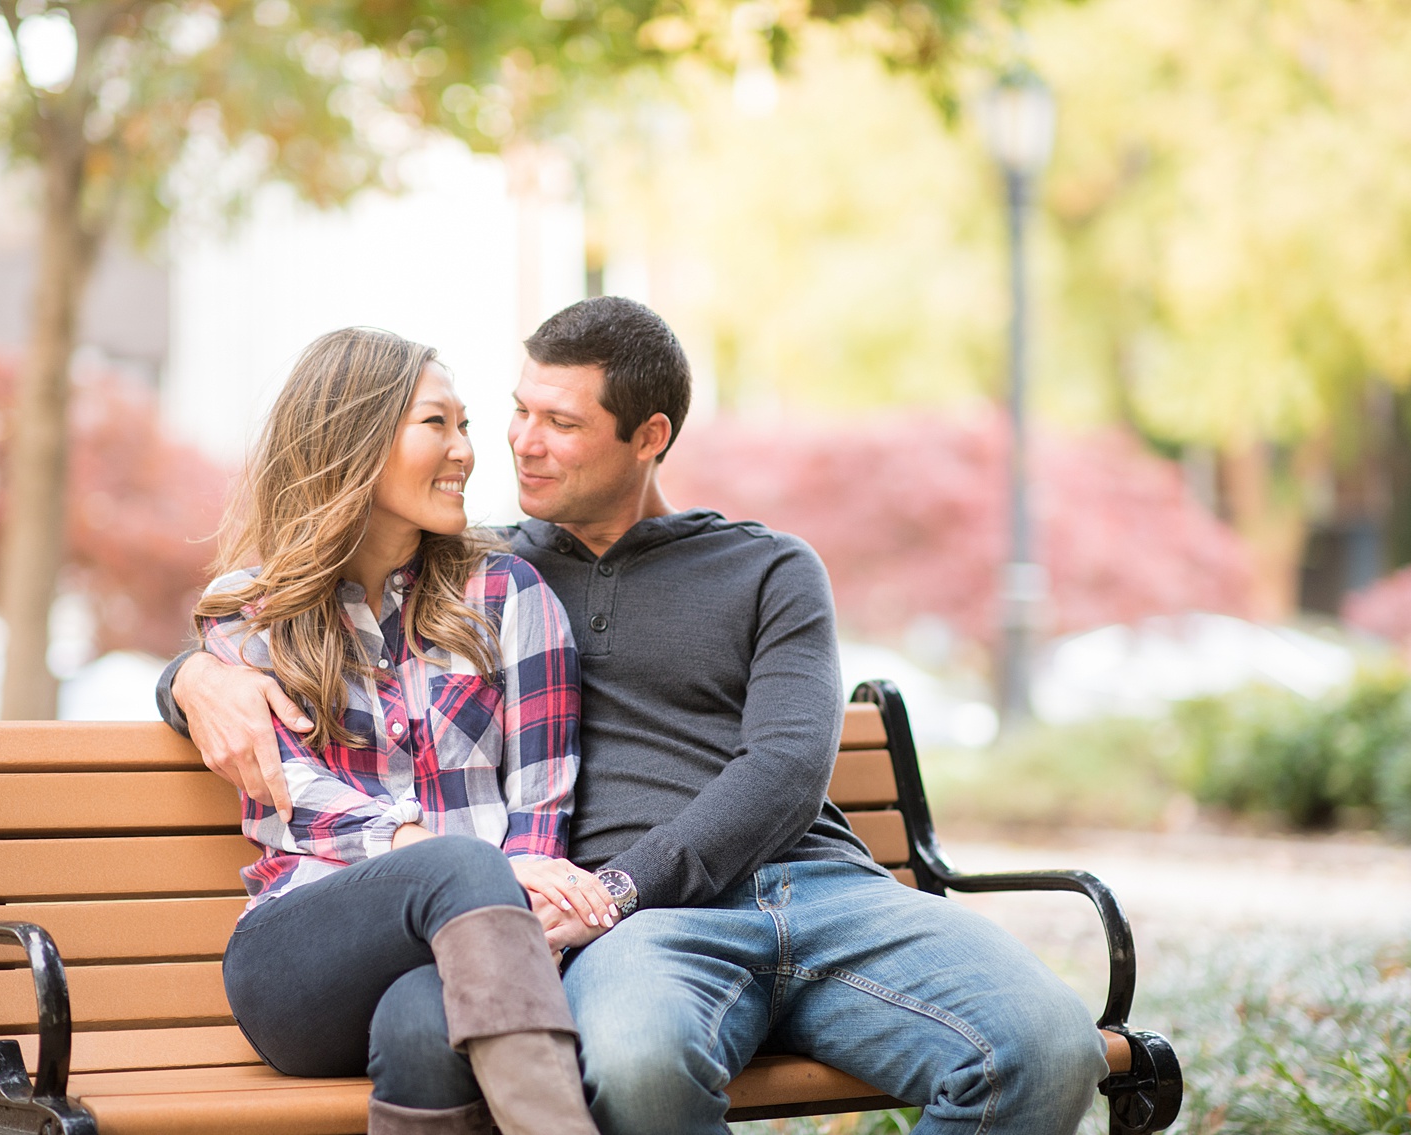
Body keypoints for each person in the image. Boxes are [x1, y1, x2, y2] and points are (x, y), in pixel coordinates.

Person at [161, 299, 1109, 1135]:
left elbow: (784, 766)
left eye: (560, 422)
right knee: (637, 1067)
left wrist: (612, 887)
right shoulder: (481, 571)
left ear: (649, 435)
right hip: (641, 931)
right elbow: (294, 601)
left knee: (1049, 1048)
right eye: (518, 412)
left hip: (811, 893)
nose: (517, 443)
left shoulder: (766, 568)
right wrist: (193, 675)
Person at [189, 327, 604, 1135]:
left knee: (421, 1022)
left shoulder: (509, 595)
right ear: (356, 439)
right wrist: (420, 842)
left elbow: (541, 809)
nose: (466, 451)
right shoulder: (252, 609)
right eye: (435, 424)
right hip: (298, 957)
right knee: (457, 862)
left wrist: (499, 876)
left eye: (465, 425)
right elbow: (291, 793)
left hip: (474, 960)